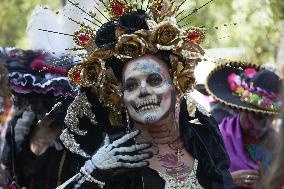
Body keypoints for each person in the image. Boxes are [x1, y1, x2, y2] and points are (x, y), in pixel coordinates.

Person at [53, 1, 232, 188]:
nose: (144, 91)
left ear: (176, 86)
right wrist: (94, 171)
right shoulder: (112, 158)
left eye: (155, 80)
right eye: (131, 85)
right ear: (120, 97)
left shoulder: (203, 140)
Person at [0, 48, 77, 189]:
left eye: (56, 101)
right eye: (43, 101)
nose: (48, 111)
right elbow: (8, 171)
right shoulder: (19, 127)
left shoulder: (79, 140)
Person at [205, 62, 281, 189]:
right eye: (258, 116)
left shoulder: (277, 145)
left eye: (271, 118)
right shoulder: (217, 138)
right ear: (242, 110)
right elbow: (196, 178)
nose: (264, 126)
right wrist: (228, 179)